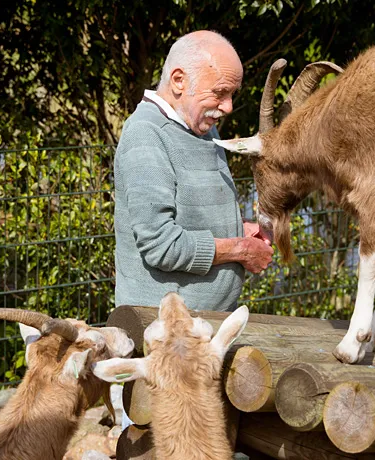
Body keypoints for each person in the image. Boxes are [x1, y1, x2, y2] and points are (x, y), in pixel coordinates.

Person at [113, 30, 273, 429]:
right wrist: (238, 249)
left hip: (202, 333)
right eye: (220, 93)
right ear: (179, 81)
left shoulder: (197, 125)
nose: (228, 106)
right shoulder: (146, 137)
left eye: (232, 94)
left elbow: (193, 213)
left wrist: (243, 229)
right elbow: (160, 244)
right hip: (164, 342)